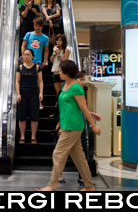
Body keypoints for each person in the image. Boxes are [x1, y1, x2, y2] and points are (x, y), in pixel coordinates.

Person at [38, 60, 101, 191]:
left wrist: (93, 125)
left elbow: (83, 108)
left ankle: (52, 185)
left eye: (61, 70)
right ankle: (89, 186)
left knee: (57, 154)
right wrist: (60, 123)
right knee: (79, 158)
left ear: (67, 72)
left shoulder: (76, 87)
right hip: (66, 125)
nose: (59, 72)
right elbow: (65, 107)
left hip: (73, 126)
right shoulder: (65, 86)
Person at [16, 49, 43, 144]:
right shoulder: (20, 67)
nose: (26, 56)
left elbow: (40, 81)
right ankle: (22, 137)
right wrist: (18, 93)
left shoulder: (37, 68)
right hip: (22, 94)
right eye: (24, 54)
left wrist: (41, 93)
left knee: (34, 116)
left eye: (28, 54)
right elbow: (17, 81)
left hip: (34, 94)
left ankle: (33, 137)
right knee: (21, 116)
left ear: (32, 56)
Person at [50, 34, 70, 99]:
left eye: (60, 40)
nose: (58, 42)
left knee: (62, 90)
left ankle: (62, 103)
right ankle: (58, 103)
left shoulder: (66, 50)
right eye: (57, 40)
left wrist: (59, 54)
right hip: (55, 70)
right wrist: (54, 53)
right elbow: (51, 60)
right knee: (57, 90)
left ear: (63, 41)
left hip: (62, 71)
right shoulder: (55, 49)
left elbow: (65, 61)